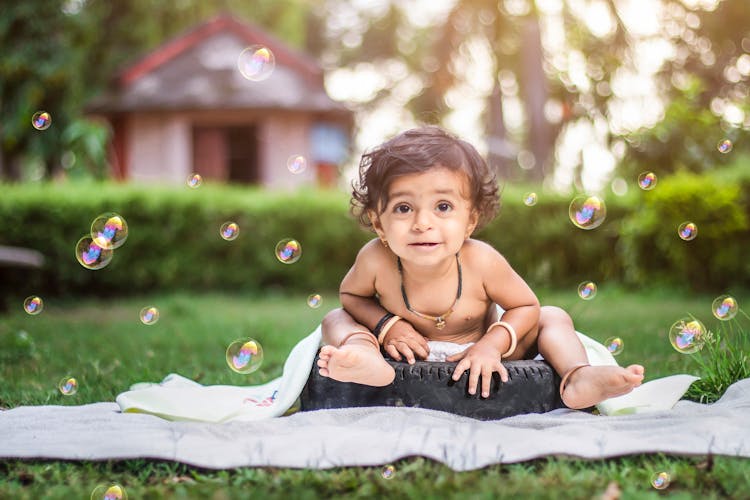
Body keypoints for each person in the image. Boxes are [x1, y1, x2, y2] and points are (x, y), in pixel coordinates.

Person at [317, 126, 644, 409]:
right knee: (334, 319)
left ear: (470, 220)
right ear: (378, 223)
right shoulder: (375, 258)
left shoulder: (481, 260)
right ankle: (365, 358)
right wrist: (387, 326)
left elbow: (525, 305)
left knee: (553, 316)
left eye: (443, 206)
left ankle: (577, 377)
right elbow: (352, 296)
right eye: (404, 208)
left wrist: (491, 345)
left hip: (482, 348)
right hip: (404, 352)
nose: (422, 223)